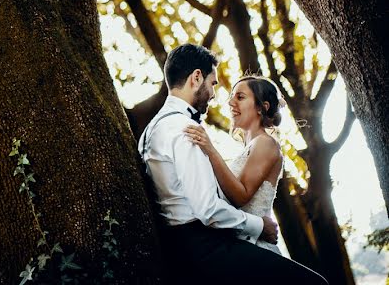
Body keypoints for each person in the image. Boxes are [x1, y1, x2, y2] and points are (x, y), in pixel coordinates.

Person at [139, 44, 327, 284]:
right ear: (197, 77)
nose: (215, 94)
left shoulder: (152, 129)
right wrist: (260, 226)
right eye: (213, 83)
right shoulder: (185, 129)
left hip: (182, 244)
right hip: (205, 247)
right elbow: (208, 209)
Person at [184, 75, 285, 255]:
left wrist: (210, 149)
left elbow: (241, 196)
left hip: (255, 248)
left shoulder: (265, 143)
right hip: (236, 244)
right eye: (232, 96)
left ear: (262, 107)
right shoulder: (248, 148)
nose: (231, 102)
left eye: (240, 97)